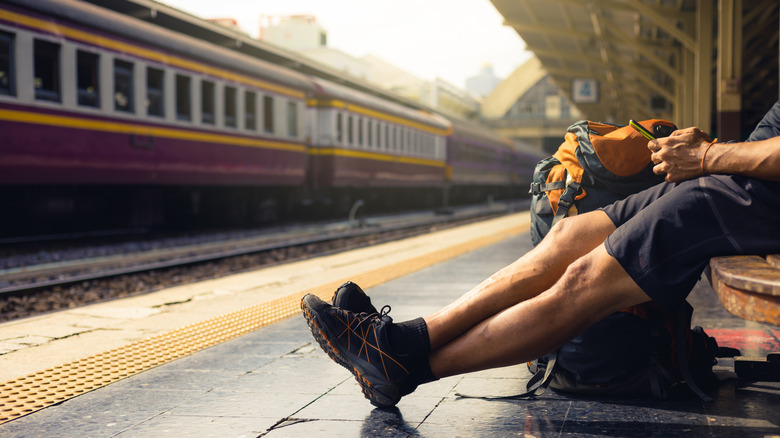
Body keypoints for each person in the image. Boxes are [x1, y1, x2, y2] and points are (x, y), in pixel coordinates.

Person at [301, 101, 780, 408]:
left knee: (584, 281)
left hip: (752, 195)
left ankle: (408, 368)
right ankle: (404, 340)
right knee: (568, 236)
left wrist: (709, 156)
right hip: (732, 177)